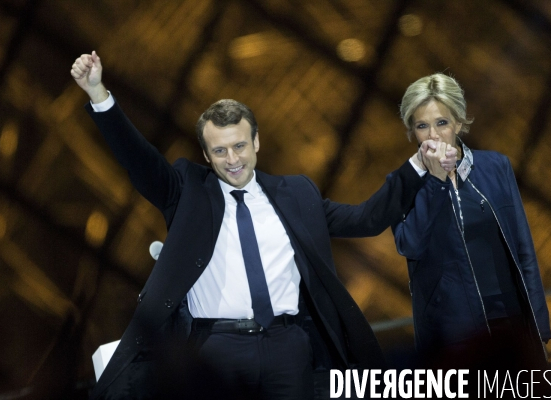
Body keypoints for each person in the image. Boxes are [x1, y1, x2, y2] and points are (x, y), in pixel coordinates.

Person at [71, 52, 455, 400]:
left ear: (256, 142)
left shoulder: (296, 194)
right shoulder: (188, 190)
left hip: (288, 345)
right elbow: (139, 160)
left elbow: (366, 218)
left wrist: (417, 167)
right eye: (219, 151)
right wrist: (98, 93)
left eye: (239, 146)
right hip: (215, 347)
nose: (232, 159)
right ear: (206, 155)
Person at [393, 73, 551, 367]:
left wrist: (540, 330)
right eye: (422, 126)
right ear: (412, 131)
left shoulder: (496, 166)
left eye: (442, 122)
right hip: (458, 337)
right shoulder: (403, 186)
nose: (434, 135)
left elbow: (523, 251)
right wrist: (434, 181)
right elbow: (410, 245)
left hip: (514, 323)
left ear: (458, 122)